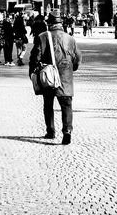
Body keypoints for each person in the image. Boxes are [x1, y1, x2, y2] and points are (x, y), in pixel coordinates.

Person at [29, 11, 82, 145]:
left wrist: (32, 73)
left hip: (48, 76)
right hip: (65, 76)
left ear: (49, 23)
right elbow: (77, 58)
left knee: (48, 105)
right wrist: (72, 68)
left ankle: (50, 131)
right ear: (61, 24)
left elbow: (35, 57)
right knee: (66, 104)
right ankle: (67, 131)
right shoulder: (70, 38)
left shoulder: (42, 37)